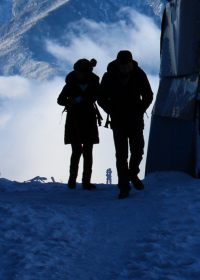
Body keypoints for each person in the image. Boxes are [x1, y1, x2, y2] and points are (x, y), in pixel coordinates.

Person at [98, 50, 154, 199]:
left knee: (138, 150)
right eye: (123, 67)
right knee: (121, 155)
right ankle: (124, 187)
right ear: (118, 65)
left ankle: (132, 174)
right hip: (118, 121)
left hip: (135, 120)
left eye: (128, 67)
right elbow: (101, 97)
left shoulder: (139, 74)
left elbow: (148, 95)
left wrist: (140, 110)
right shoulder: (109, 76)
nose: (126, 70)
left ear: (131, 63)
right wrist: (112, 110)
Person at [56, 58, 101, 190]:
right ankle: (75, 180)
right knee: (79, 151)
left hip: (79, 119)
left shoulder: (74, 83)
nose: (75, 73)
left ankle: (81, 181)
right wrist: (75, 101)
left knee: (85, 151)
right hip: (79, 119)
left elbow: (99, 95)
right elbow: (60, 100)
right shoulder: (76, 83)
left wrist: (75, 101)